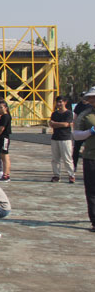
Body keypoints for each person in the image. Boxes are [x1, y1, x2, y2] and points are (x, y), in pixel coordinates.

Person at [72, 86, 95, 232]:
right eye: (90, 97)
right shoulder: (85, 115)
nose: (91, 100)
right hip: (91, 157)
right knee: (92, 190)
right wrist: (90, 132)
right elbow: (76, 135)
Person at [49, 96, 75, 183]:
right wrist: (59, 124)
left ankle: (71, 175)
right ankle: (56, 175)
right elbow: (51, 124)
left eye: (60, 102)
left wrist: (56, 124)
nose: (59, 104)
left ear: (65, 102)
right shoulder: (54, 114)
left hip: (65, 138)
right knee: (55, 159)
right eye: (57, 102)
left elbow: (66, 124)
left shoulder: (68, 113)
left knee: (67, 158)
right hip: (55, 138)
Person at [0, 99, 12, 182]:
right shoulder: (2, 116)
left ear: (5, 108)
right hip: (2, 138)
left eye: (1, 107)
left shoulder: (5, 116)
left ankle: (6, 175)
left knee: (5, 156)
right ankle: (5, 174)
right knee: (2, 156)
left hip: (4, 137)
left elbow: (1, 128)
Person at [72, 93, 90, 172]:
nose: (84, 98)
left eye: (86, 97)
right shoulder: (79, 106)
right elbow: (75, 117)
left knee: (89, 148)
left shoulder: (91, 106)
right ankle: (74, 166)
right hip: (80, 130)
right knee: (76, 149)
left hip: (89, 130)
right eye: (83, 97)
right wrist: (74, 128)